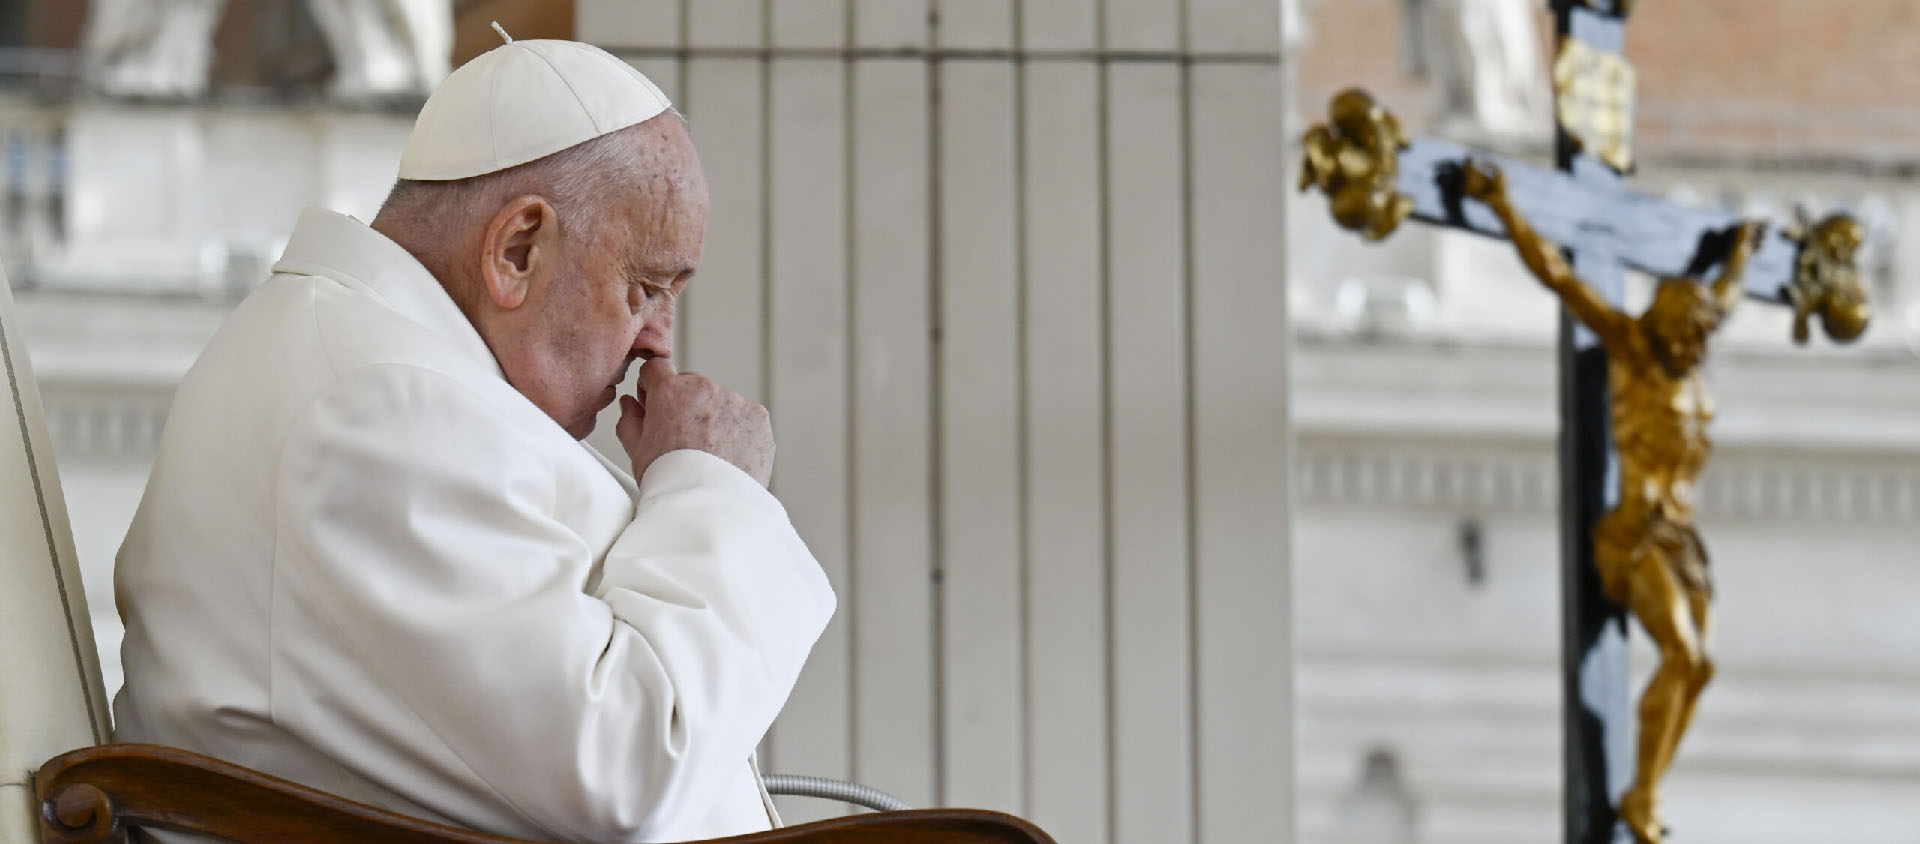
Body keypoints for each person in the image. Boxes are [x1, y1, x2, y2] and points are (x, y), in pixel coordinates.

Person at [110, 32, 836, 844]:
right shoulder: (374, 406)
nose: (658, 342)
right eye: (645, 288)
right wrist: (714, 488)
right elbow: (626, 768)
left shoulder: (374, 362)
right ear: (517, 248)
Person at [1463, 160, 1761, 844]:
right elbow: (1560, 276)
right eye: (1686, 336)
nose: (1694, 348)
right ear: (1662, 326)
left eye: (1701, 338)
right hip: (1630, 533)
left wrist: (1740, 251)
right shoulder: (1633, 348)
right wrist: (1506, 206)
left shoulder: (1692, 349)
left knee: (1700, 666)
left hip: (1681, 540)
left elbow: (1729, 295)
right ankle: (1642, 799)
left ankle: (1643, 792)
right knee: (1683, 657)